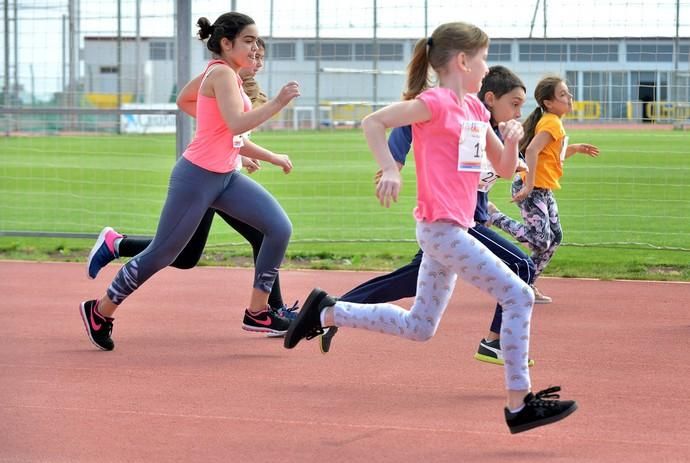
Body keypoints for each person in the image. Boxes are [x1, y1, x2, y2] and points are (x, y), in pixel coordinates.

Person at [284, 22, 577, 434]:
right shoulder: (433, 103)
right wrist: (390, 167)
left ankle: (328, 310)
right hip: (441, 229)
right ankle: (519, 403)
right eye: (483, 58)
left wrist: (510, 141)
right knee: (518, 296)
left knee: (419, 327)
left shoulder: (476, 109)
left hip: (453, 227)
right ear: (462, 61)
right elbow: (373, 122)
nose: (486, 66)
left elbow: (504, 169)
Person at [79, 12, 301, 351]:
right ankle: (100, 311)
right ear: (227, 44)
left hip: (225, 178)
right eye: (248, 40)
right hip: (196, 179)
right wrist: (277, 103)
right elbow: (238, 124)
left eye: (257, 41)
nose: (255, 47)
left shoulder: (227, 76)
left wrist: (224, 132)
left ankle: (258, 312)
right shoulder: (222, 74)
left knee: (278, 228)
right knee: (162, 255)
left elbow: (188, 102)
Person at [324, 66, 536, 368]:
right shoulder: (456, 114)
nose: (518, 112)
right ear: (490, 97)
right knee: (520, 266)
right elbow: (406, 128)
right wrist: (392, 164)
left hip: (462, 217)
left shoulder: (478, 120)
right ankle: (495, 343)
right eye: (514, 104)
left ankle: (333, 308)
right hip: (452, 220)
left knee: (413, 288)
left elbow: (484, 173)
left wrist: (510, 153)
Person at [486, 76, 600, 303]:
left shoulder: (552, 121)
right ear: (548, 102)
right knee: (541, 239)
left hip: (543, 189)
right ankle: (494, 216)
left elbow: (550, 155)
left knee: (555, 238)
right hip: (532, 188)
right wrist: (528, 185)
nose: (569, 98)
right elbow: (531, 152)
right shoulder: (552, 122)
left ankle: (525, 285)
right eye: (563, 95)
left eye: (567, 93)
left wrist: (574, 149)